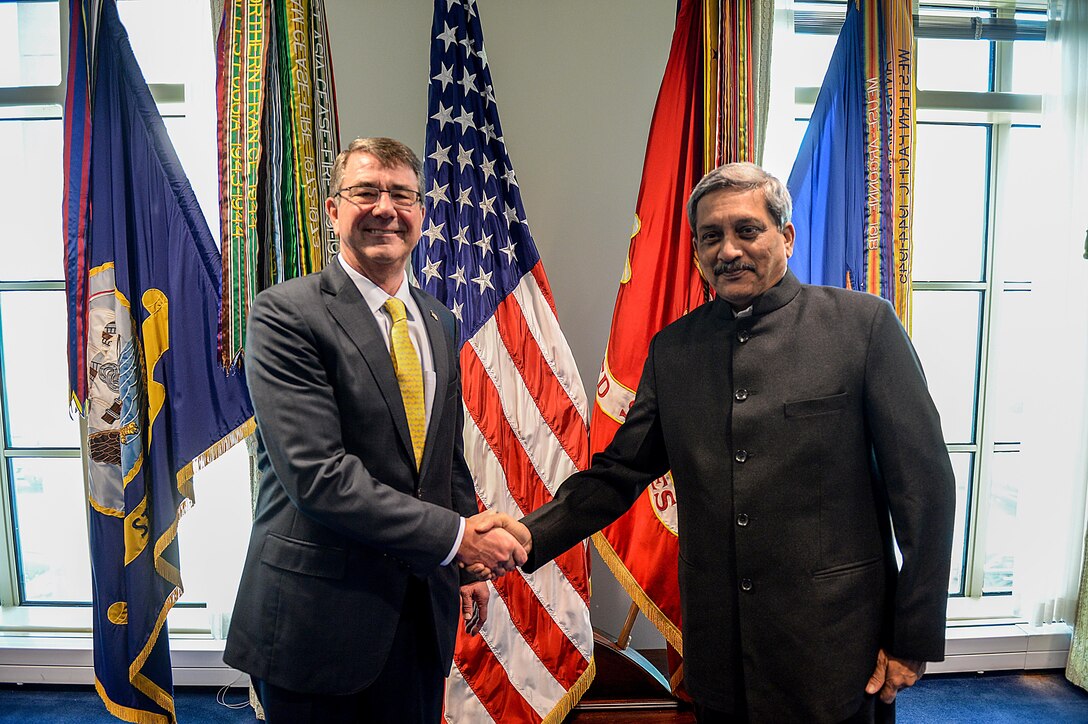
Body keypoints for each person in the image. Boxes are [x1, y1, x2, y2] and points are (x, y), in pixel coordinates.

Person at [479, 162, 957, 723]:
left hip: (835, 647)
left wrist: (912, 636)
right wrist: (524, 537)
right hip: (718, 653)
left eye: (746, 230)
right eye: (711, 236)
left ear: (787, 236)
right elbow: (617, 475)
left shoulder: (863, 327)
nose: (727, 249)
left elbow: (925, 490)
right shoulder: (675, 349)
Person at [223, 137, 526, 724]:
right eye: (365, 192)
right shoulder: (285, 314)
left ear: (421, 213)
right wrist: (458, 538)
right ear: (332, 210)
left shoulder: (437, 318)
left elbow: (442, 460)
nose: (385, 208)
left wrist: (463, 566)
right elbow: (319, 477)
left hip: (418, 613)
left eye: (402, 195)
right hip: (320, 619)